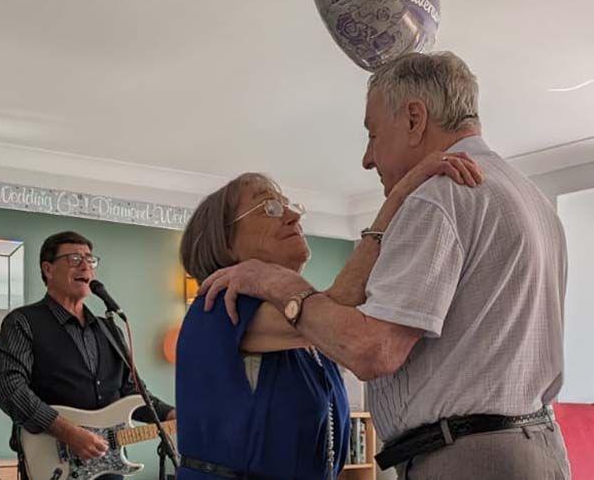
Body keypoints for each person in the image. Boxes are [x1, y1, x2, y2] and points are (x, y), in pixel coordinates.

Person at [199, 51, 569, 479]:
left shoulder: (440, 195)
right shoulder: (532, 199)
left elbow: (373, 349)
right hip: (537, 449)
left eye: (373, 135)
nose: (367, 158)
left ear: (415, 119)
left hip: (469, 459)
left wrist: (277, 283)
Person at [175, 164, 477, 480]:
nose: (293, 215)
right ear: (226, 242)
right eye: (269, 207)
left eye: (289, 204)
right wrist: (400, 193)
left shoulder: (305, 331)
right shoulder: (220, 305)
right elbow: (343, 301)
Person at [0, 231, 175, 479]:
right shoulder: (23, 322)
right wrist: (67, 432)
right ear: (48, 269)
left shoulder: (110, 330)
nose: (86, 265)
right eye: (75, 258)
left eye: (90, 259)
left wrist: (169, 414)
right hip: (54, 465)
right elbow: (7, 387)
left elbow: (131, 390)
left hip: (108, 463)